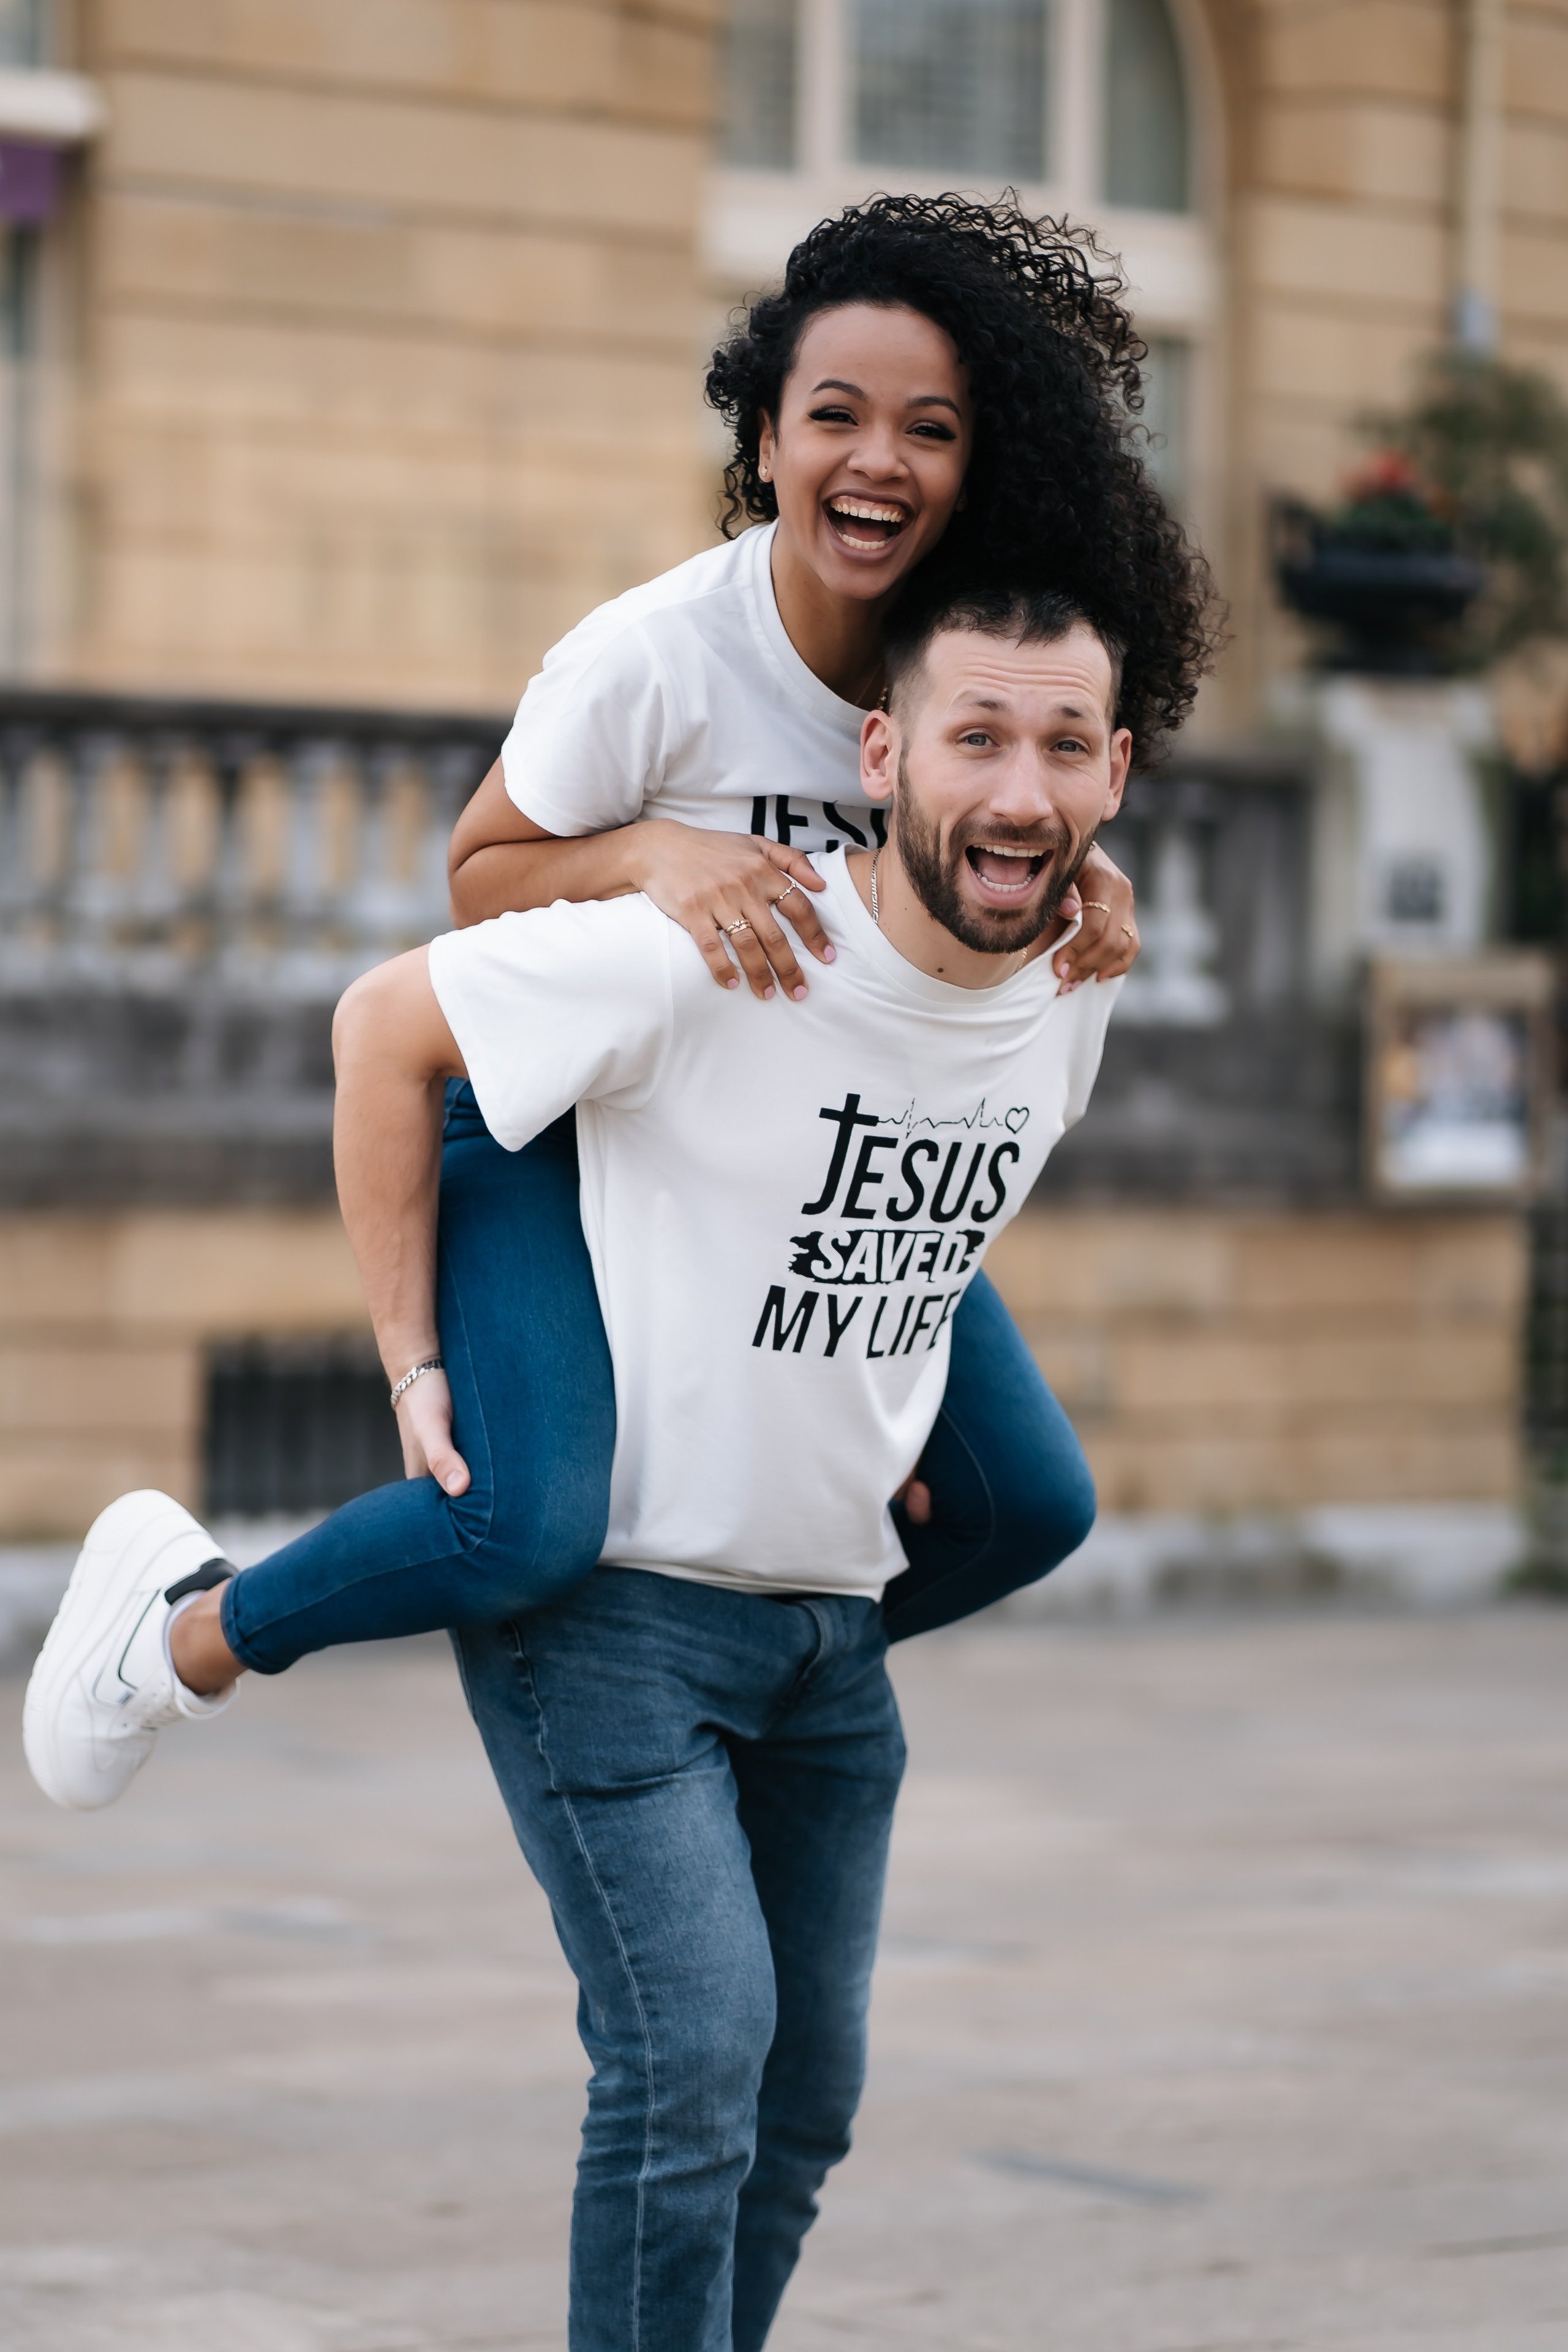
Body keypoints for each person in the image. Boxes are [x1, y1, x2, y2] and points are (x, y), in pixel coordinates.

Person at [37, 578, 1167, 2351]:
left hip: (828, 1649)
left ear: (1120, 775)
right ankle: (184, 1628)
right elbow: (381, 1030)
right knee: (689, 2081)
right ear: (881, 753)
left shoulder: (1071, 1000)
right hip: (619, 1625)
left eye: (1062, 748)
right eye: (974, 738)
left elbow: (889, 1270)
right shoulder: (726, 950)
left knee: (800, 2114)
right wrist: (415, 1358)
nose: (1017, 791)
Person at [24, 197, 1215, 1806]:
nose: (878, 462)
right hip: (554, 1120)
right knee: (519, 1520)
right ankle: (183, 1634)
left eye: (928, 430)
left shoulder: (963, 658)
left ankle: (756, 1676)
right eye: (834, 418)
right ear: (768, 435)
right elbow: (476, 874)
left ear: (981, 455)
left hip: (778, 1152)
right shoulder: (658, 655)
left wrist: (1081, 886)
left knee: (1030, 1503)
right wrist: (659, 853)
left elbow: (972, 861)